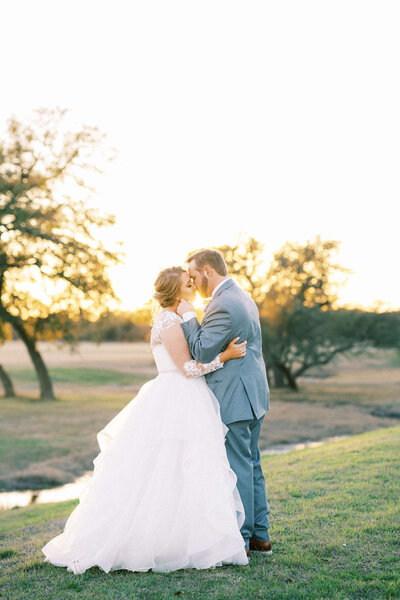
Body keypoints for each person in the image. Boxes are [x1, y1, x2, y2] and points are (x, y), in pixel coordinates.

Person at [41, 266, 249, 574]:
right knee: (164, 467)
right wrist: (224, 358)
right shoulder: (168, 320)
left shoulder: (180, 317)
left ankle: (189, 537)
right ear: (176, 291)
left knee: (187, 469)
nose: (193, 286)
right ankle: (156, 542)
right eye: (187, 283)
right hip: (176, 397)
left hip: (189, 398)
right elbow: (187, 369)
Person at [177, 249, 271, 556]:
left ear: (207, 271)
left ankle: (241, 541)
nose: (191, 281)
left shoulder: (222, 304)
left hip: (235, 395)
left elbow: (203, 351)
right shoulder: (242, 296)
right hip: (253, 393)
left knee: (239, 466)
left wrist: (190, 315)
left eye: (193, 275)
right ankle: (260, 535)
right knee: (252, 462)